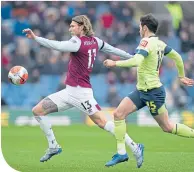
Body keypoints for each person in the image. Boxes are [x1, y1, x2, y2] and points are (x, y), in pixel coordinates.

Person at [22, 15, 144, 167]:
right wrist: (132, 57)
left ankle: (134, 146)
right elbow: (114, 50)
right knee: (37, 110)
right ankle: (54, 146)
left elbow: (58, 46)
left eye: (73, 26)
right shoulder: (96, 41)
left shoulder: (77, 42)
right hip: (69, 92)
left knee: (103, 123)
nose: (70, 28)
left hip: (81, 93)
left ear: (82, 27)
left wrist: (36, 38)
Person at [103, 13, 194, 167]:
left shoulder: (146, 42)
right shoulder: (159, 43)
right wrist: (181, 76)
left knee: (167, 126)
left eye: (140, 26)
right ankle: (121, 153)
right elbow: (178, 57)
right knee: (118, 114)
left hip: (153, 93)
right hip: (141, 91)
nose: (139, 29)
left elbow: (136, 61)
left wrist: (114, 64)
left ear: (144, 28)